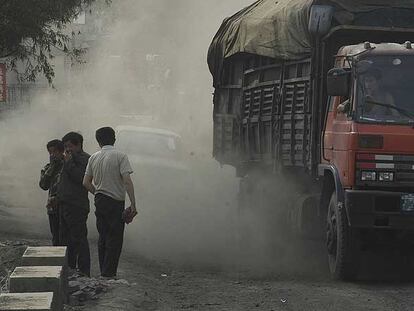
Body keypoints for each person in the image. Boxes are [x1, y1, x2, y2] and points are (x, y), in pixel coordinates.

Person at [83, 127, 137, 278]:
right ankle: (109, 273)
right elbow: (127, 181)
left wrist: (98, 193)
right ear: (114, 139)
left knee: (103, 235)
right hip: (115, 202)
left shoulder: (93, 157)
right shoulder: (120, 156)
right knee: (115, 237)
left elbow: (86, 182)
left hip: (100, 200)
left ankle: (103, 271)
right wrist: (133, 204)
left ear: (98, 141)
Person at [59, 132, 91, 277]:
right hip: (65, 203)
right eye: (65, 147)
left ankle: (84, 271)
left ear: (78, 144)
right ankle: (70, 268)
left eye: (69, 146)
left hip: (77, 205)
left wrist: (69, 162)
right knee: (66, 239)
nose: (67, 150)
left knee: (79, 239)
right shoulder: (69, 159)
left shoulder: (85, 159)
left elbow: (80, 178)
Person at [39, 139, 64, 246]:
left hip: (66, 206)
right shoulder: (47, 168)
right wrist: (52, 167)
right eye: (50, 152)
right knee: (56, 237)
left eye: (55, 151)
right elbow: (43, 185)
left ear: (61, 151)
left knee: (67, 237)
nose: (52, 154)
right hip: (53, 208)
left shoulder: (67, 165)